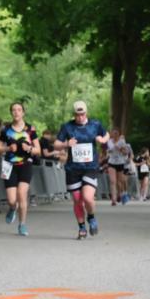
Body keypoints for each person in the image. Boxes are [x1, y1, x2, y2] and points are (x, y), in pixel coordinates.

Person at [55, 101, 109, 238]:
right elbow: (56, 144)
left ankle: (91, 217)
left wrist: (102, 140)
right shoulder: (67, 126)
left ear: (86, 113)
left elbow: (106, 134)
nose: (80, 117)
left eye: (82, 114)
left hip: (90, 167)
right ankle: (81, 227)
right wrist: (66, 144)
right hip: (73, 168)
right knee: (77, 200)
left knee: (88, 198)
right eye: (77, 115)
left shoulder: (95, 124)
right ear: (74, 114)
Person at [0, 102, 39, 236]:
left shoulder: (30, 129)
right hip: (8, 166)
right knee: (11, 200)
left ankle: (22, 224)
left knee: (22, 194)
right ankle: (12, 208)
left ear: (23, 113)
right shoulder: (5, 129)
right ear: (11, 113)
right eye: (14, 110)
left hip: (25, 164)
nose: (16, 112)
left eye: (19, 110)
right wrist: (8, 148)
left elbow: (38, 150)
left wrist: (30, 148)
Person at [105, 129, 131, 206]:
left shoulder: (122, 141)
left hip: (120, 163)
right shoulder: (109, 141)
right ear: (112, 134)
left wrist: (120, 149)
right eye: (114, 133)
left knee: (120, 182)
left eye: (117, 133)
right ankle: (113, 199)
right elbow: (109, 150)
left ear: (119, 134)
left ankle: (121, 194)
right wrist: (109, 151)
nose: (115, 135)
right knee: (113, 181)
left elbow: (126, 152)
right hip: (111, 163)